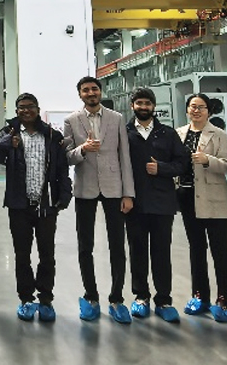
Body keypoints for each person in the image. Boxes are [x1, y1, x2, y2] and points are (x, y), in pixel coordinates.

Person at [0, 93, 73, 322]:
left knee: (47, 255)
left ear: (37, 108)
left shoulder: (52, 136)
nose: (26, 111)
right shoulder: (8, 134)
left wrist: (64, 196)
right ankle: (26, 299)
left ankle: (45, 299)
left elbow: (62, 169)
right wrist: (7, 143)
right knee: (22, 255)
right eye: (21, 107)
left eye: (30, 106)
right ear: (16, 111)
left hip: (46, 206)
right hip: (19, 206)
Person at [63, 77, 135, 323]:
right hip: (86, 188)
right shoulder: (72, 120)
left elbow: (125, 156)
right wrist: (83, 149)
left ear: (100, 92)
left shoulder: (116, 118)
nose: (91, 93)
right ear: (80, 94)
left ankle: (117, 299)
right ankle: (91, 296)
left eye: (94, 89)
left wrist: (128, 193)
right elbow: (67, 157)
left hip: (114, 188)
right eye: (86, 90)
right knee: (85, 246)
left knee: (117, 245)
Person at [125, 87, 190, 323]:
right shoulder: (124, 133)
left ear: (153, 106)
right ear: (132, 106)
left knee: (162, 252)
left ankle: (163, 300)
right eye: (139, 103)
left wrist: (161, 168)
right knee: (138, 251)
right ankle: (141, 296)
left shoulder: (167, 134)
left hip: (162, 203)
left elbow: (182, 164)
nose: (143, 107)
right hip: (134, 203)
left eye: (147, 103)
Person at [174, 93, 227, 323]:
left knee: (220, 250)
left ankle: (225, 299)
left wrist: (207, 160)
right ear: (187, 110)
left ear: (209, 111)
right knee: (196, 249)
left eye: (201, 107)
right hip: (187, 198)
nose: (196, 110)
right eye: (193, 106)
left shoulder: (218, 134)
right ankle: (200, 296)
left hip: (213, 198)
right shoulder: (179, 134)